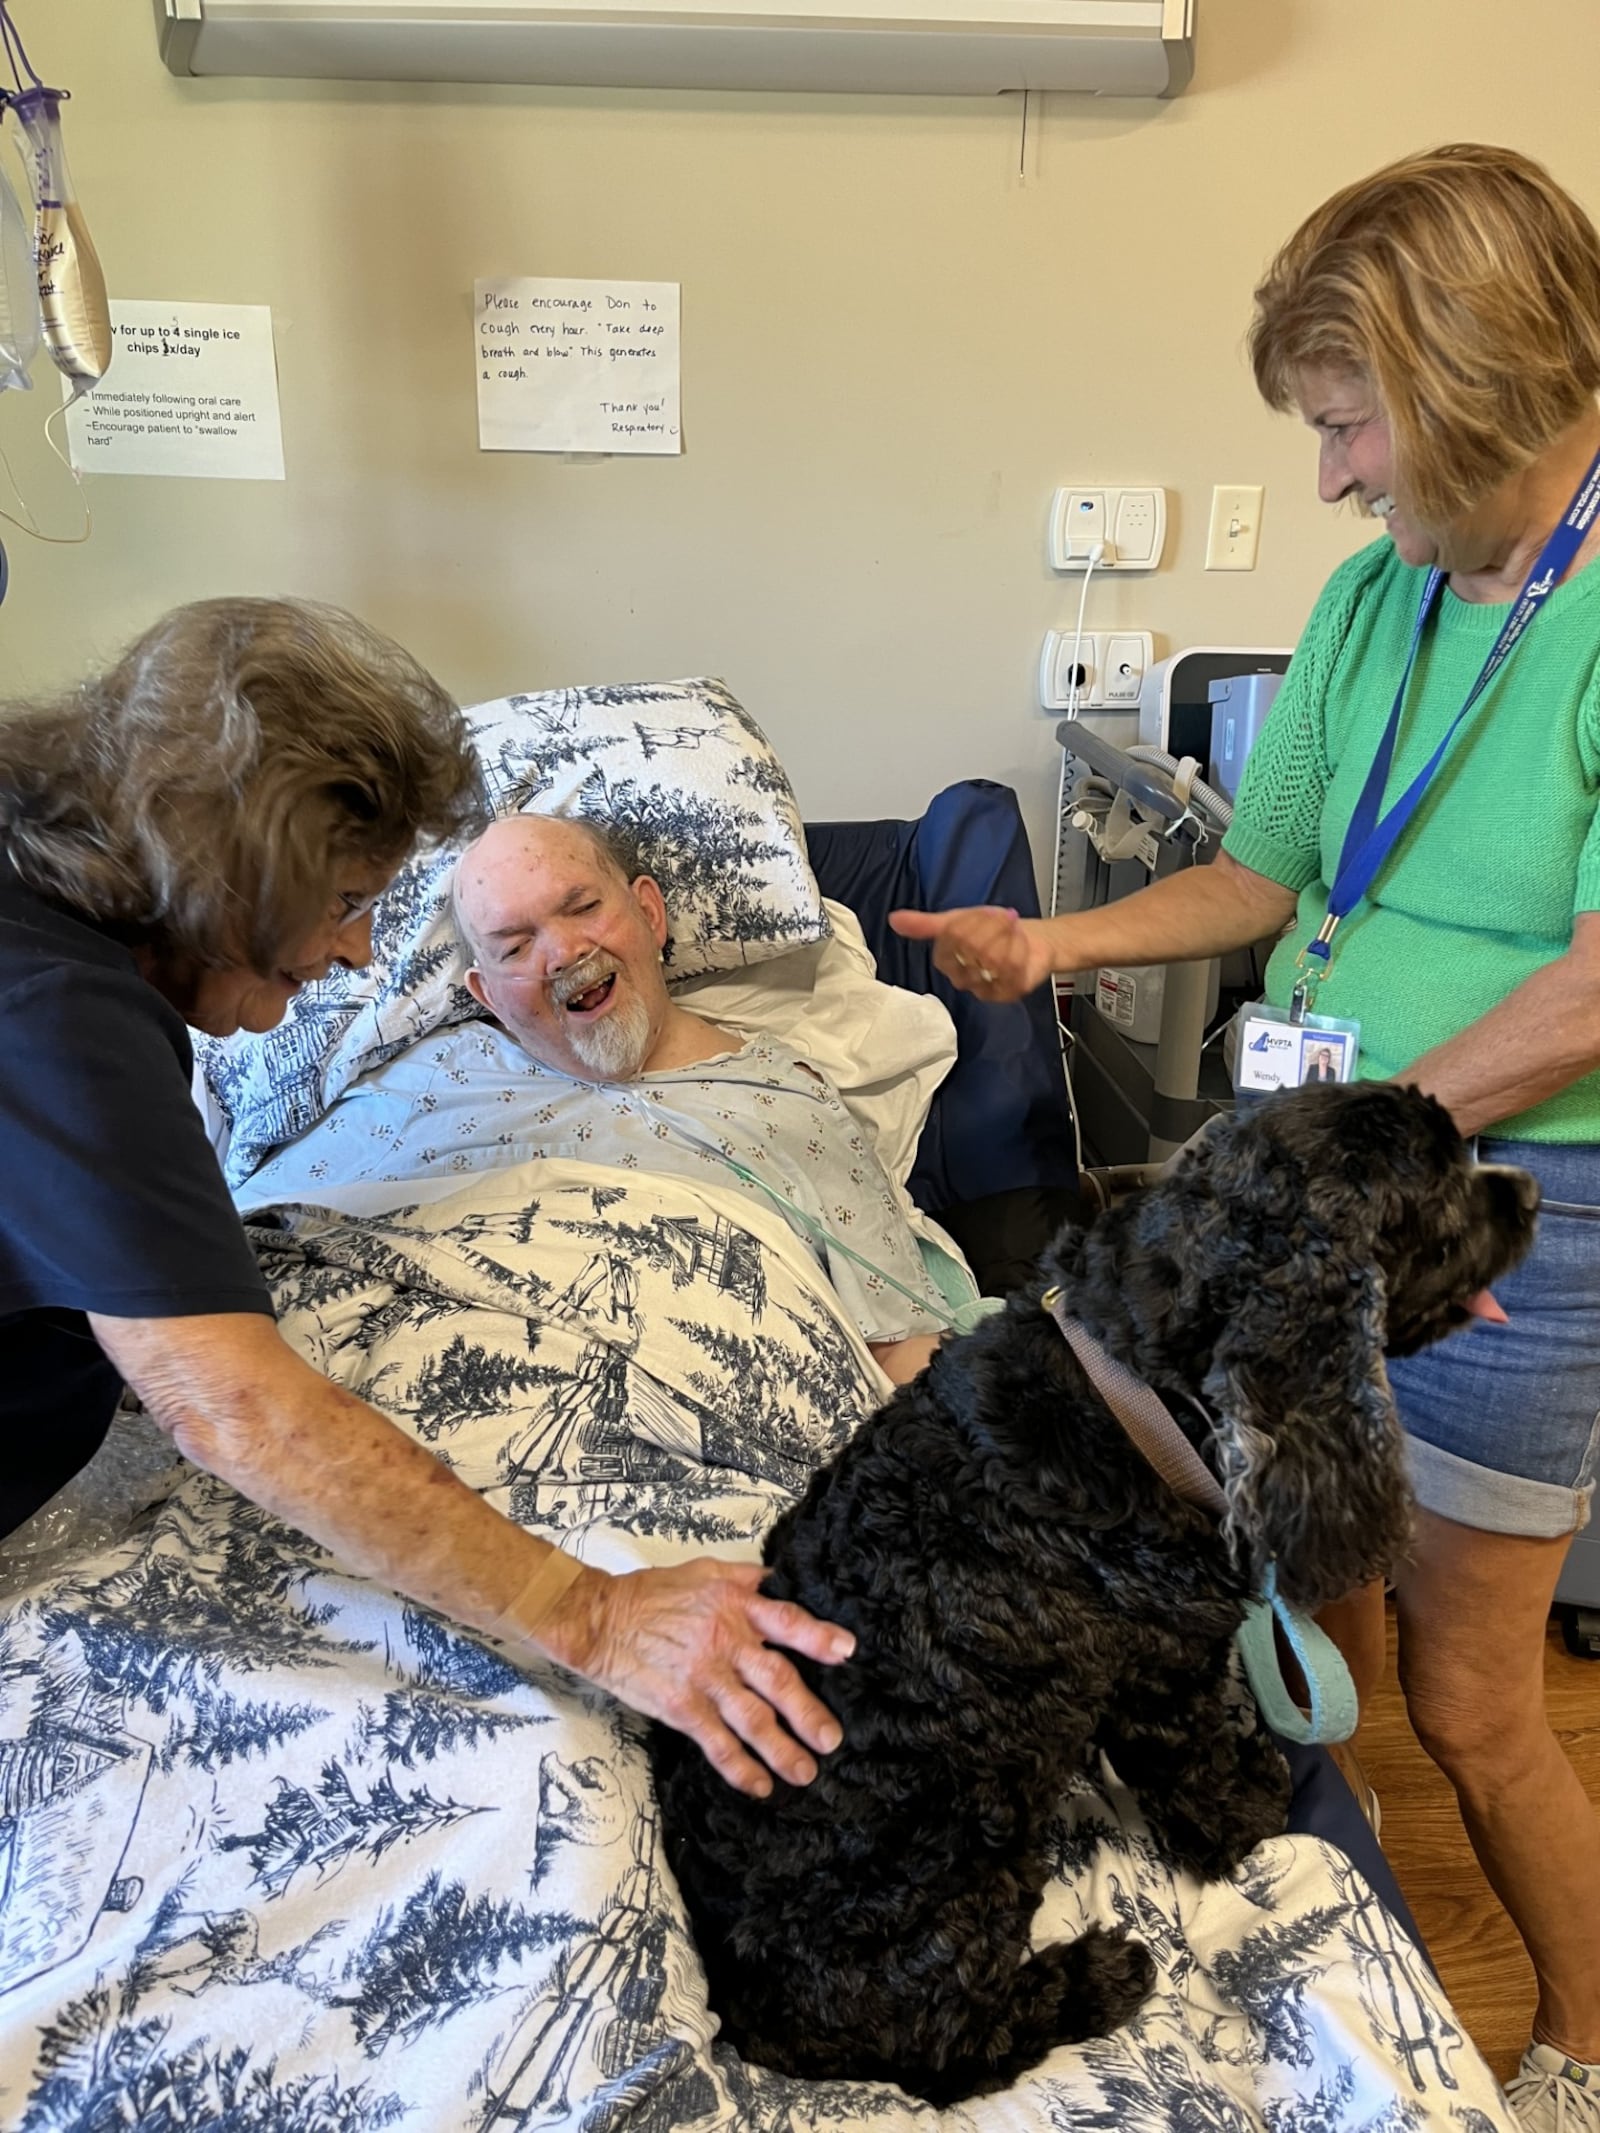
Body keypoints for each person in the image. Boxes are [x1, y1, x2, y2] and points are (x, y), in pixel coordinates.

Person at [891, 145, 1600, 2129]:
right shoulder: (1375, 599)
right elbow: (1269, 872)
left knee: (1473, 1697)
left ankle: (1579, 2036)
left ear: (1469, 371)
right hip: (1334, 1179)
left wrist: (1357, 1143)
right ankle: (1340, 1893)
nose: (1330, 477)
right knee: (1312, 1594)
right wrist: (1051, 936)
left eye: (1347, 421)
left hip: (1507, 1206)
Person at [0, 598, 854, 1803]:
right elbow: (235, 1406)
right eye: (347, 903)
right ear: (232, 876)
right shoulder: (54, 1018)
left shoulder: (781, 1090)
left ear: (649, 915)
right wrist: (596, 1617)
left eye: (583, 909)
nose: (355, 958)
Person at [441, 812, 949, 1385]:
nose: (562, 954)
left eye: (583, 909)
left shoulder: (782, 1102)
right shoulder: (426, 1095)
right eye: (513, 948)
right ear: (487, 995)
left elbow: (904, 1351)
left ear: (650, 914)